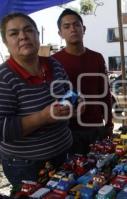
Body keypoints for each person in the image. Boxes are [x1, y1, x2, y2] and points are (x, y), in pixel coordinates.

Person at [0, 13, 74, 194]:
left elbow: (69, 94)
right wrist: (42, 117)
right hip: (26, 166)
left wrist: (75, 105)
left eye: (28, 30)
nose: (23, 36)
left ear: (37, 35)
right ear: (6, 43)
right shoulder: (4, 78)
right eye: (14, 33)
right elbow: (1, 129)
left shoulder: (54, 65)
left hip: (63, 153)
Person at [53, 9, 114, 155]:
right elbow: (52, 97)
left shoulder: (97, 58)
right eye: (66, 26)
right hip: (68, 131)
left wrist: (109, 122)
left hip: (96, 127)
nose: (72, 29)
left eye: (76, 25)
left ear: (83, 29)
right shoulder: (54, 61)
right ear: (60, 34)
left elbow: (105, 92)